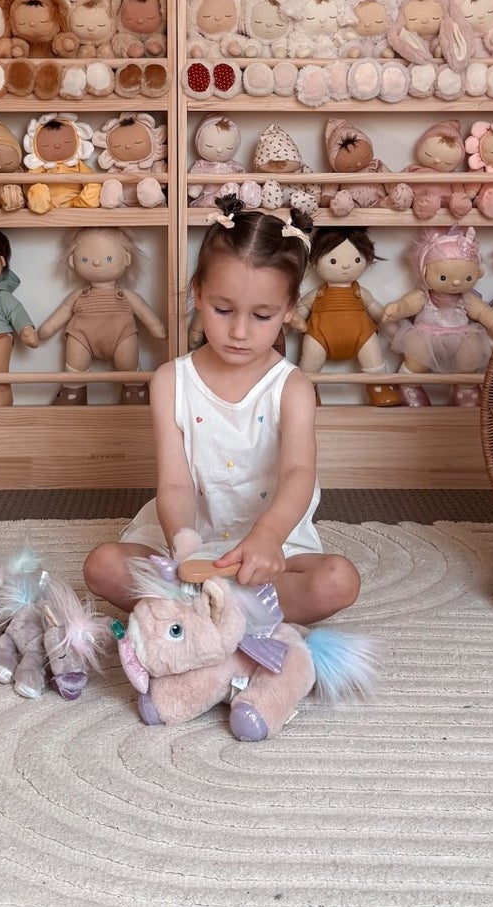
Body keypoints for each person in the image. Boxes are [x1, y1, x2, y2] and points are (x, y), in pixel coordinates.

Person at [83, 197, 360, 625]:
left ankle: (205, 615)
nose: (239, 331)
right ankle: (222, 613)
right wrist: (186, 549)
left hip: (268, 550)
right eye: (223, 310)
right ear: (197, 292)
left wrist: (267, 538)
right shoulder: (170, 382)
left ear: (288, 311)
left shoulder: (292, 388)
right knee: (102, 565)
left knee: (338, 581)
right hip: (186, 544)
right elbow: (175, 483)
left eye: (262, 315)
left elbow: (297, 474)